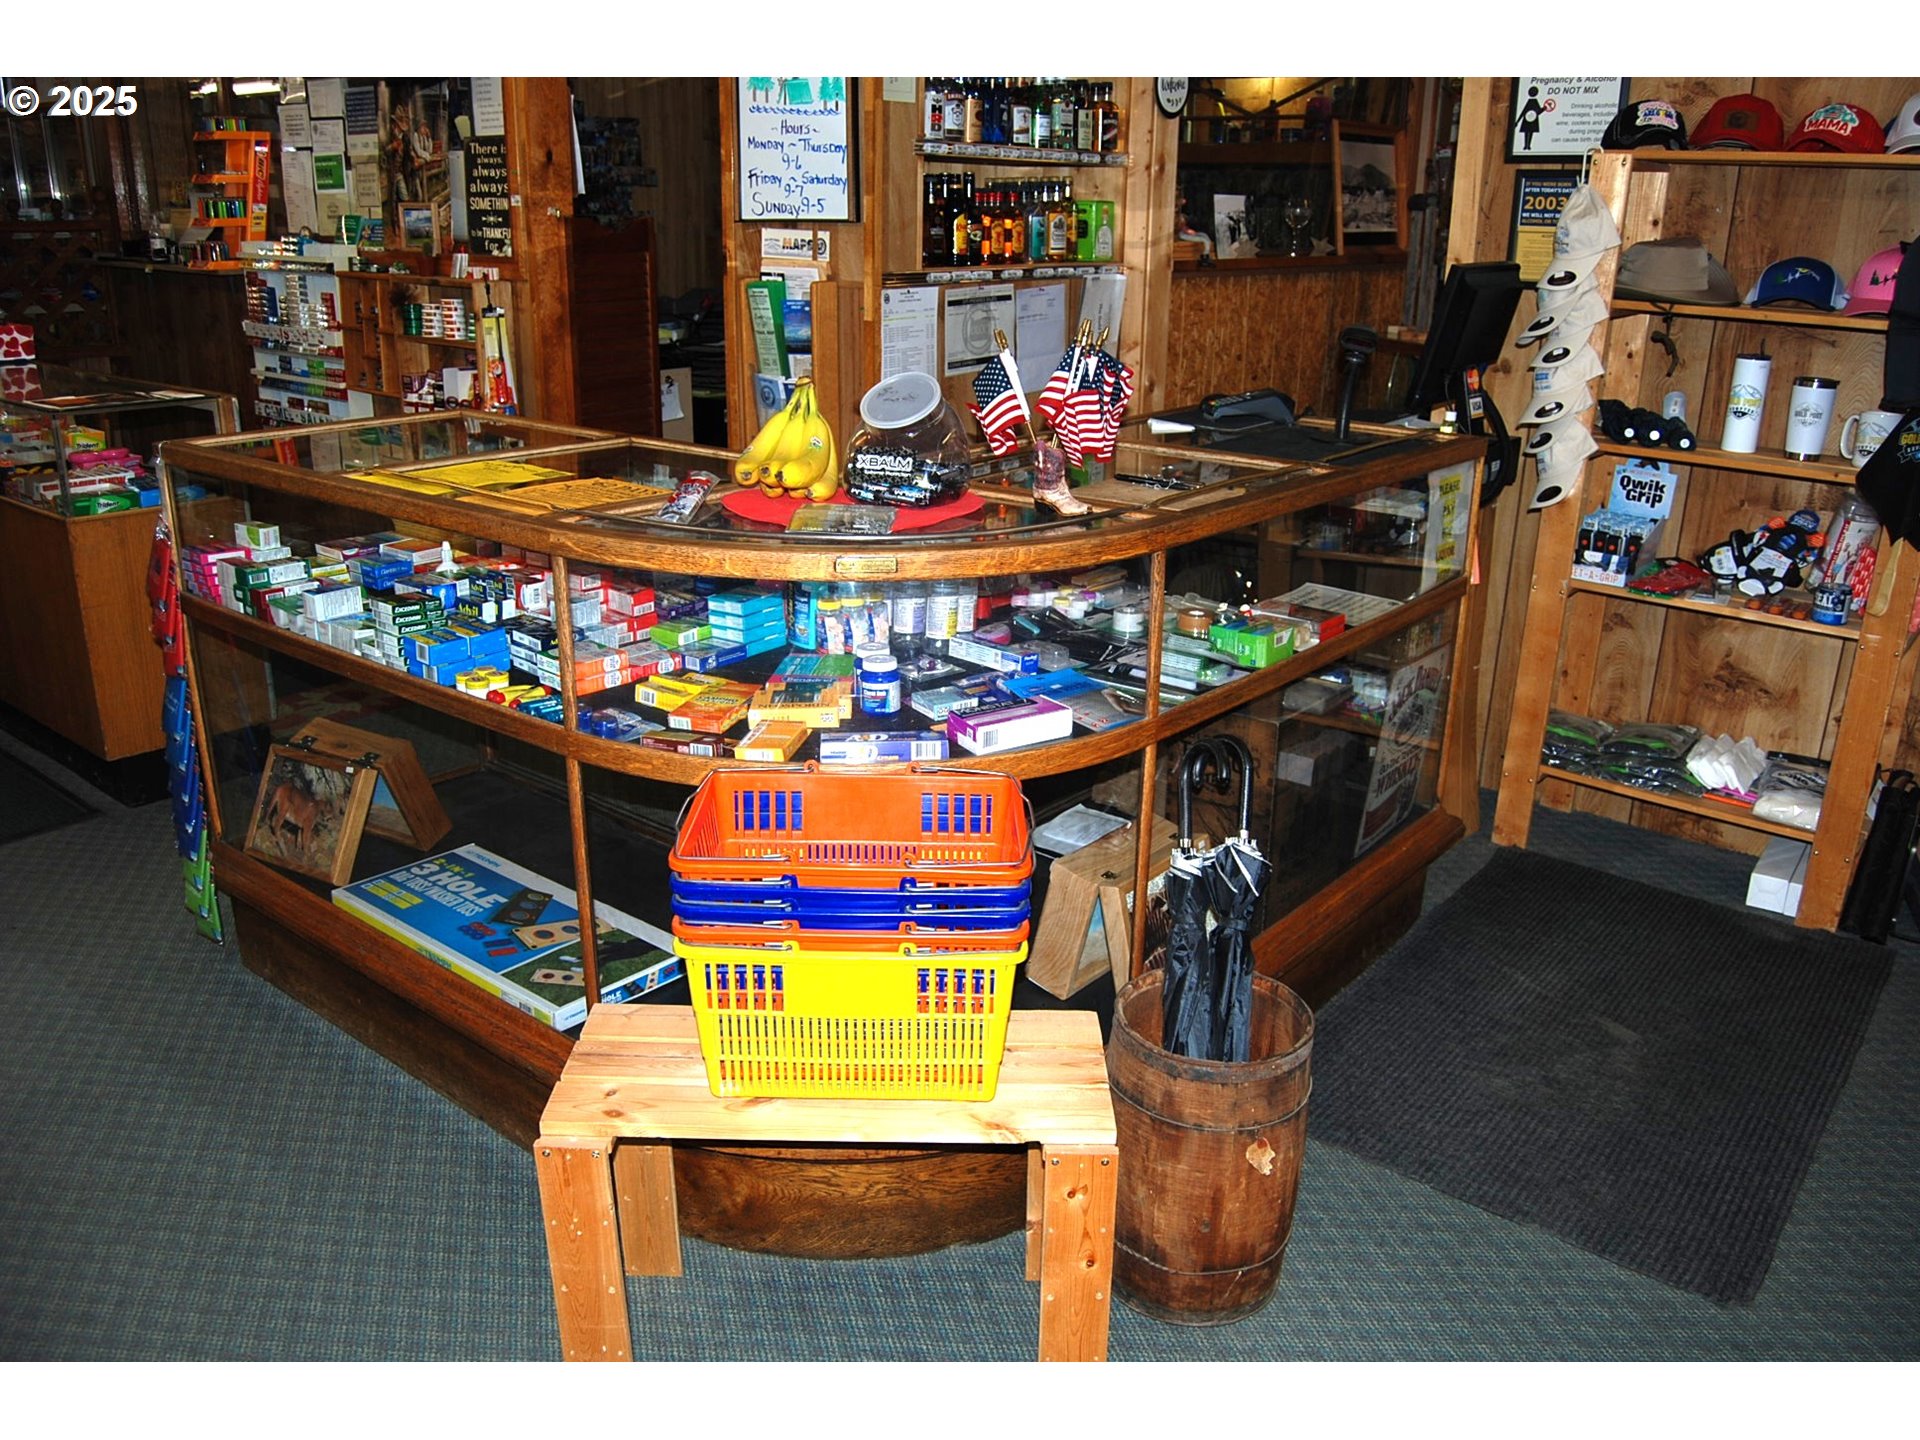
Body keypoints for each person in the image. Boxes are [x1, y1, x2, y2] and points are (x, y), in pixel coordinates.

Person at [1515, 86, 1544, 152]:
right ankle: (1526, 145)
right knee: (1528, 132)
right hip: (1529, 119)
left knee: (1529, 132)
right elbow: (1536, 111)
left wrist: (1543, 109)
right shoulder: (1532, 102)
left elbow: (1537, 112)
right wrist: (1517, 121)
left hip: (1531, 119)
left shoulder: (1533, 101)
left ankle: (1527, 145)